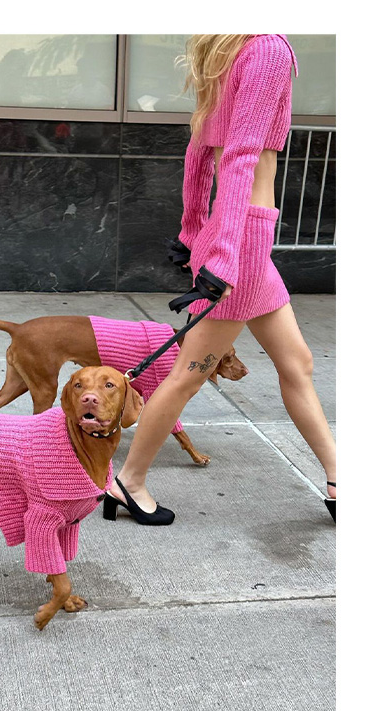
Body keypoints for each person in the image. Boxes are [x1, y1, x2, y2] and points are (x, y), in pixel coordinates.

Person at [104, 35, 336, 525]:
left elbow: (198, 151)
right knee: (189, 374)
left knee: (298, 362)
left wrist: (194, 231)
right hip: (245, 239)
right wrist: (224, 254)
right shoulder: (267, 48)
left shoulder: (233, 51)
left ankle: (339, 480)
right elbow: (240, 154)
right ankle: (130, 480)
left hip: (241, 236)